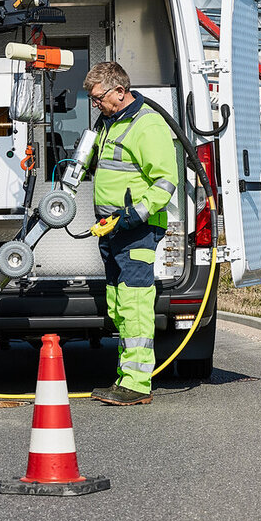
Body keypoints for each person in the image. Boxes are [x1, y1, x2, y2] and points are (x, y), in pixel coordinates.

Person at [82, 61, 179, 406]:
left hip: (136, 229)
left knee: (135, 304)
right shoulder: (110, 123)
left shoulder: (147, 125)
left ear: (120, 91)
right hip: (113, 228)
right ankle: (125, 378)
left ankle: (137, 385)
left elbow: (165, 181)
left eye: (99, 98)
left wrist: (133, 215)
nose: (96, 104)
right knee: (119, 303)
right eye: (93, 99)